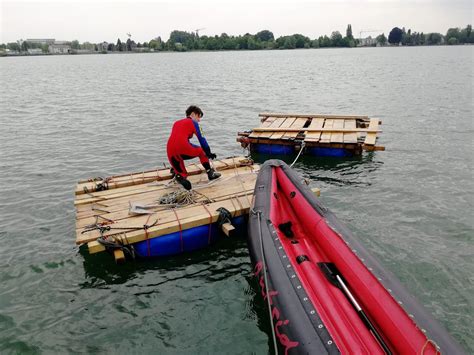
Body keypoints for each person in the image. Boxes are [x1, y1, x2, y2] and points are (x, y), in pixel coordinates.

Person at [166, 105, 221, 190]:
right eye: (198, 117)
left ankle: (178, 175)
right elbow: (202, 139)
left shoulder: (176, 123)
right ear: (193, 114)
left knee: (181, 170)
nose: (199, 120)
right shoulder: (194, 123)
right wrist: (208, 152)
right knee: (201, 151)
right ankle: (210, 173)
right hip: (183, 148)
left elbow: (177, 140)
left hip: (170, 151)